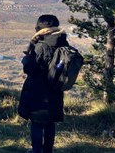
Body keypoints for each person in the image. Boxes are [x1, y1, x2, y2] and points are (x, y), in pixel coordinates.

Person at [18, 14, 68, 153]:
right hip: (56, 90)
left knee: (37, 123)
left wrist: (25, 60)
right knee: (50, 123)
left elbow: (30, 69)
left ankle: (36, 150)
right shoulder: (63, 43)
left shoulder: (40, 46)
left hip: (38, 92)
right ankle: (48, 150)